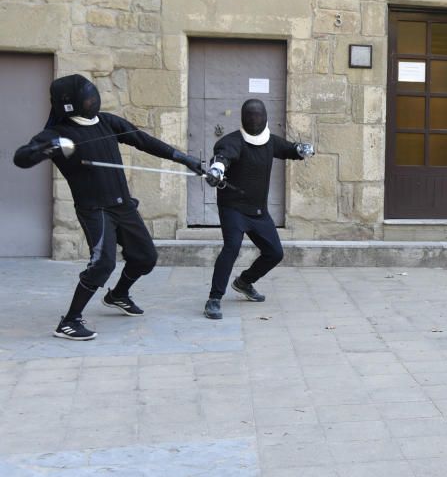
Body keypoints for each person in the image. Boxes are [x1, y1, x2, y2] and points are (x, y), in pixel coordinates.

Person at [13, 74, 203, 340]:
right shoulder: (57, 133)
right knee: (103, 263)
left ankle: (118, 295)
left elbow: (145, 141)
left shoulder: (107, 122)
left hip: (123, 205)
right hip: (95, 209)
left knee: (146, 258)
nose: (94, 100)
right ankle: (69, 321)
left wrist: (185, 159)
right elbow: (21, 158)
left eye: (94, 94)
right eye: (88, 96)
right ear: (70, 103)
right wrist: (50, 147)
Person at [203, 99, 314, 320]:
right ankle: (214, 299)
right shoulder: (231, 141)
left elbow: (288, 149)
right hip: (233, 208)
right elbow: (224, 155)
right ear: (243, 117)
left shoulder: (270, 141)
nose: (254, 120)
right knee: (231, 248)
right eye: (250, 115)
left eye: (258, 115)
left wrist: (301, 150)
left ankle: (244, 282)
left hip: (258, 211)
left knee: (275, 253)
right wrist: (217, 167)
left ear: (265, 117)